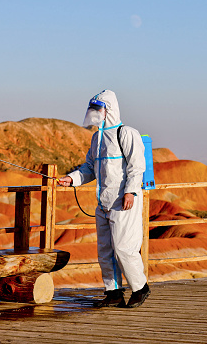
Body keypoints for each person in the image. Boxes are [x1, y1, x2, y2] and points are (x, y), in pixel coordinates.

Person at [58, 89, 151, 308]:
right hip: (104, 202)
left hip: (123, 201)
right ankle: (114, 292)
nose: (94, 113)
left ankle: (140, 288)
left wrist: (130, 191)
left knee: (123, 247)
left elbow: (137, 166)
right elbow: (90, 167)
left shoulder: (126, 133)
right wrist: (71, 179)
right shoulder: (97, 138)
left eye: (98, 108)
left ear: (108, 109)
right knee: (105, 249)